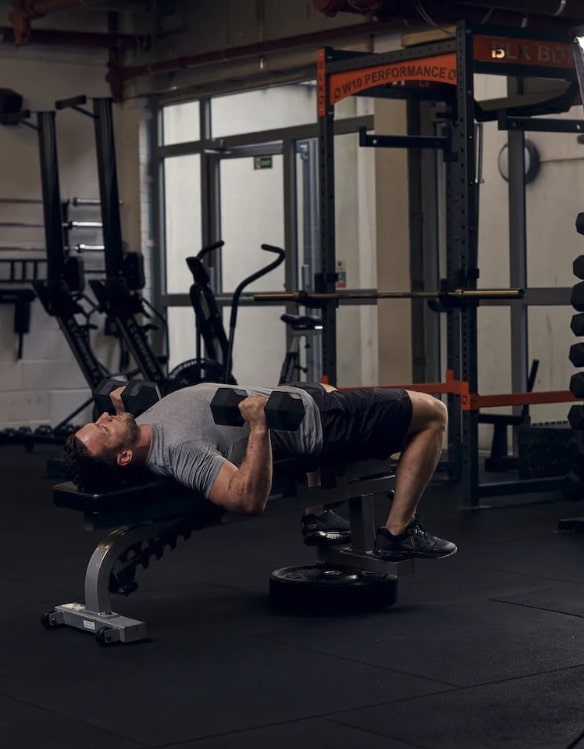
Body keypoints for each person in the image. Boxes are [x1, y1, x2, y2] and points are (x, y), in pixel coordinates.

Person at [63, 382, 457, 561]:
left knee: (329, 385)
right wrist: (258, 425)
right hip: (321, 424)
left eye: (99, 419)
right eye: (102, 429)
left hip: (306, 399)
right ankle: (398, 533)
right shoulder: (182, 454)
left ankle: (317, 515)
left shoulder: (141, 426)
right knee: (433, 413)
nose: (103, 418)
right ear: (125, 458)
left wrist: (119, 411)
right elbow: (246, 499)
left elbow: (128, 422)